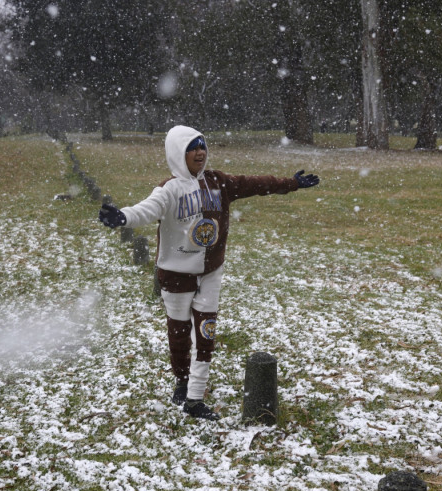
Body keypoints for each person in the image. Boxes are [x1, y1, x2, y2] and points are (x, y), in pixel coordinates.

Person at [99, 125, 320, 420]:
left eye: (202, 145)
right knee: (178, 335)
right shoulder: (170, 189)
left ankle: (194, 399)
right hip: (176, 275)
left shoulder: (219, 182)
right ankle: (182, 381)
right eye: (192, 147)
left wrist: (289, 183)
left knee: (206, 333)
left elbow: (254, 183)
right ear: (179, 153)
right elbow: (147, 209)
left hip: (211, 272)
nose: (200, 152)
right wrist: (123, 216)